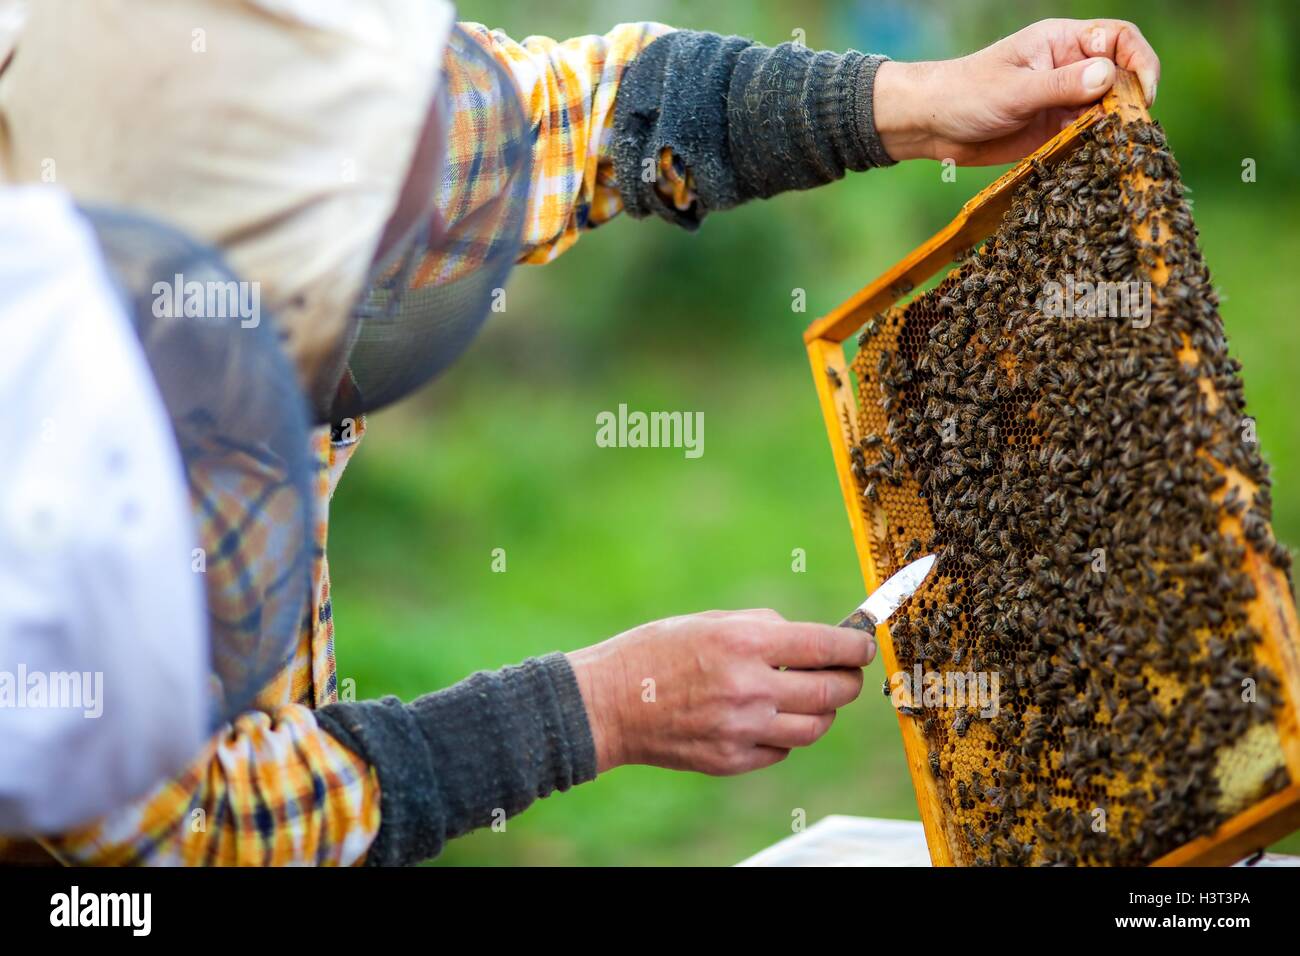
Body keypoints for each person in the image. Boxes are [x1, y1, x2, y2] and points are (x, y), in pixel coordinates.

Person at [0, 2, 1159, 865]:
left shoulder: (247, 86)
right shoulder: (46, 479)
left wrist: (915, 100)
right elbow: (186, 824)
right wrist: (599, 705)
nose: (424, 239)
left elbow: (590, 109)